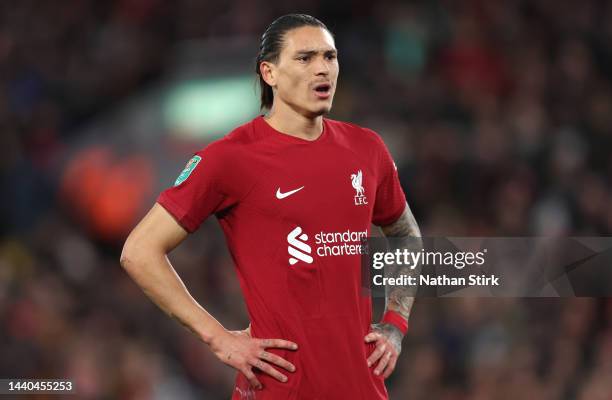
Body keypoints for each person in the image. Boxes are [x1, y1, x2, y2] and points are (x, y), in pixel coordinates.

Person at [120, 13, 421, 399]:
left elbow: (405, 233)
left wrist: (395, 323)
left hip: (361, 387)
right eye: (305, 58)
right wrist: (218, 339)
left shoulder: (368, 149)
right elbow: (139, 252)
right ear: (269, 73)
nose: (322, 69)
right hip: (279, 388)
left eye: (330, 57)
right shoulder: (231, 158)